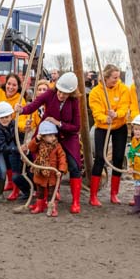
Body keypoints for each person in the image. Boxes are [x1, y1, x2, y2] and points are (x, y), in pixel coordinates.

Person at [17, 72, 83, 213]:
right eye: (60, 91)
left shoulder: (74, 102)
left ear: (71, 93)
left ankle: (76, 201)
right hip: (47, 131)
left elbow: (77, 126)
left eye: (65, 93)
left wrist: (59, 123)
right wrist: (22, 110)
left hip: (67, 135)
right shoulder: (50, 94)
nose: (61, 95)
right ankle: (44, 198)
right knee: (40, 161)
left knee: (73, 165)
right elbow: (35, 104)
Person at [88, 64, 131, 206]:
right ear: (106, 78)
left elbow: (125, 106)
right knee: (100, 157)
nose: (117, 80)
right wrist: (104, 118)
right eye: (114, 77)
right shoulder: (95, 92)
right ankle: (93, 195)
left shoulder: (123, 89)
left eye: (118, 77)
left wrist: (117, 114)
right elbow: (96, 110)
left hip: (119, 126)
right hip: (103, 126)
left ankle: (114, 194)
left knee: (118, 158)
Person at [0, 73, 29, 194]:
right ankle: (10, 183)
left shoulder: (20, 99)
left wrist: (24, 126)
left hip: (15, 133)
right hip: (2, 131)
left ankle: (16, 189)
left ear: (18, 87)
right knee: (4, 156)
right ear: (5, 84)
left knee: (14, 159)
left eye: (14, 85)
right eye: (9, 84)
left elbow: (22, 119)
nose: (11, 87)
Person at [27, 121, 68, 216]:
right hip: (40, 173)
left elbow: (62, 158)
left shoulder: (57, 146)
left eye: (54, 135)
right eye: (50, 135)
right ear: (43, 136)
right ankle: (39, 206)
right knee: (40, 192)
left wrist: (61, 170)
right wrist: (36, 140)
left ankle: (52, 207)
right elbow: (31, 148)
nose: (53, 137)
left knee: (51, 193)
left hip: (52, 175)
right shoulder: (39, 144)